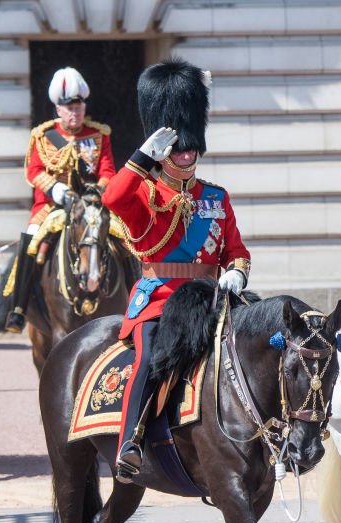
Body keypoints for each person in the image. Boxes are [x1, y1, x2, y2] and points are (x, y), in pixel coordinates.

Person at [102, 58, 250, 484]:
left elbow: (236, 250)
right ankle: (130, 442)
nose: (186, 154)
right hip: (161, 300)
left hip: (209, 299)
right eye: (178, 147)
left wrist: (237, 271)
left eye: (191, 146)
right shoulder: (144, 192)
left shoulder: (216, 197)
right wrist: (140, 157)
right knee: (149, 361)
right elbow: (112, 198)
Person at [5, 67, 115, 333]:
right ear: (58, 109)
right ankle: (18, 309)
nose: (74, 112)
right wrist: (55, 189)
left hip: (91, 206)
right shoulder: (43, 136)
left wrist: (98, 191)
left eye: (78, 106)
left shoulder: (98, 134)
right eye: (68, 107)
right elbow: (33, 171)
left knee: (124, 239)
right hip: (52, 207)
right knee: (30, 242)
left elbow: (108, 170)